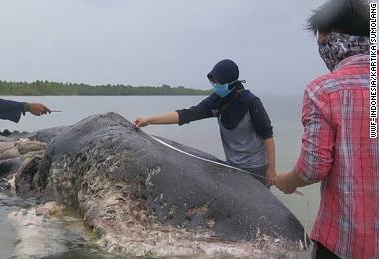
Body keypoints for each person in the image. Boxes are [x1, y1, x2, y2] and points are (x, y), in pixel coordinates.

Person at [273, 0, 378, 258]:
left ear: (334, 39)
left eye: (321, 41)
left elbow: (314, 167)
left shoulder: (323, 90)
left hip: (344, 239)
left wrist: (288, 181)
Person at [134, 59, 276, 186]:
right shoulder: (216, 102)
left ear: (230, 82)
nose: (215, 85)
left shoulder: (251, 103)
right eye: (213, 81)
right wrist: (149, 120)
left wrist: (272, 169)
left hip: (257, 168)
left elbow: (267, 136)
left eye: (219, 82)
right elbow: (186, 115)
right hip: (233, 167)